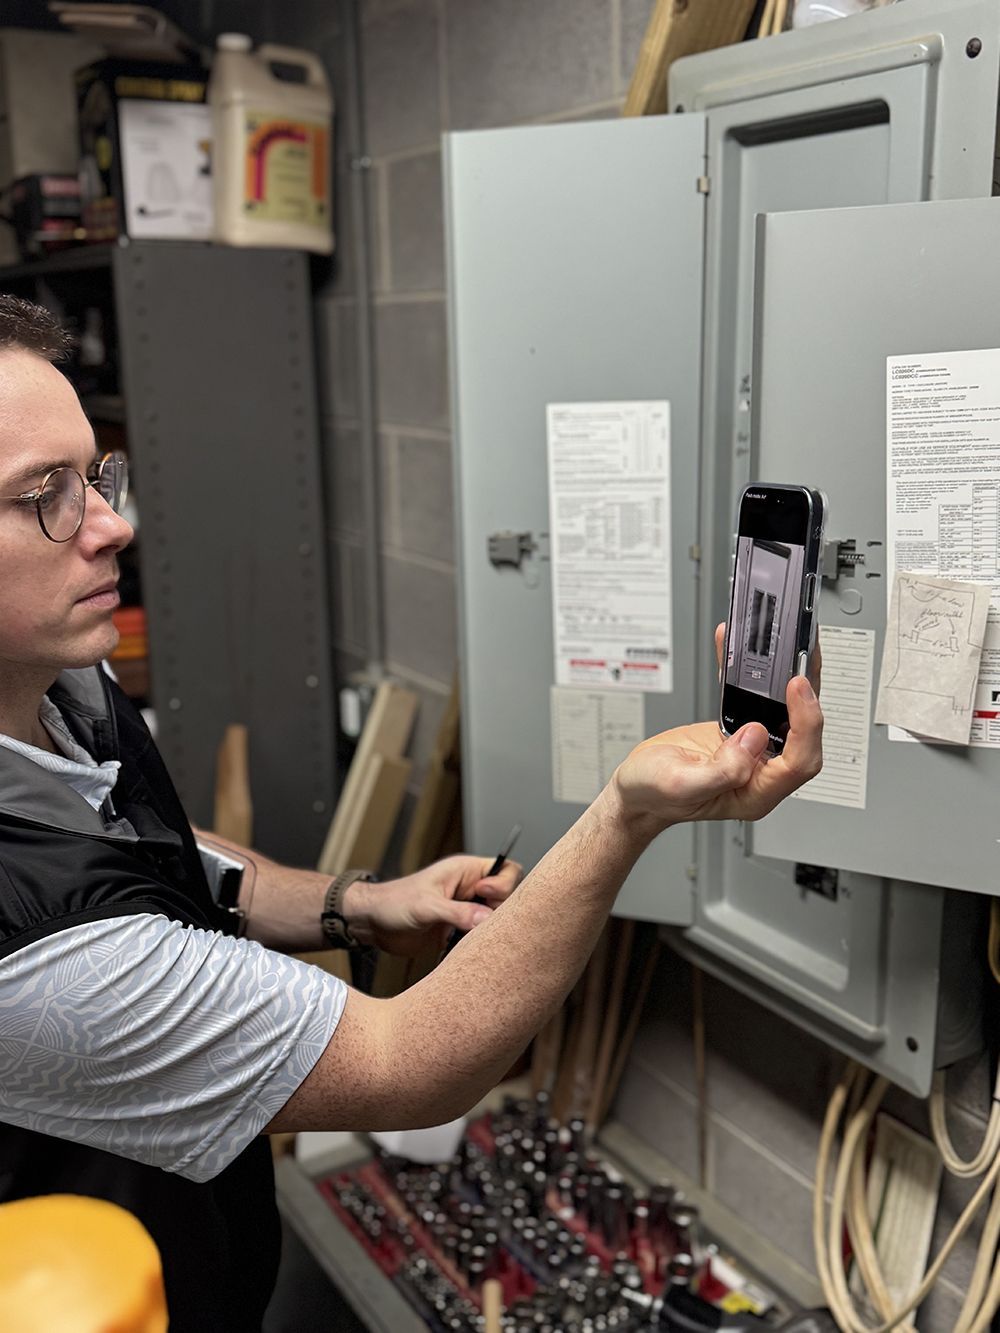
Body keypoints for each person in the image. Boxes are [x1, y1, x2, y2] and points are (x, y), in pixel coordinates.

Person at [0, 295, 823, 1330]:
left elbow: (151, 854)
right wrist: (627, 814)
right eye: (44, 495)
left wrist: (358, 901)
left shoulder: (55, 687)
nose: (113, 523)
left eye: (97, 476)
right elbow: (409, 1063)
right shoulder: (28, 947)